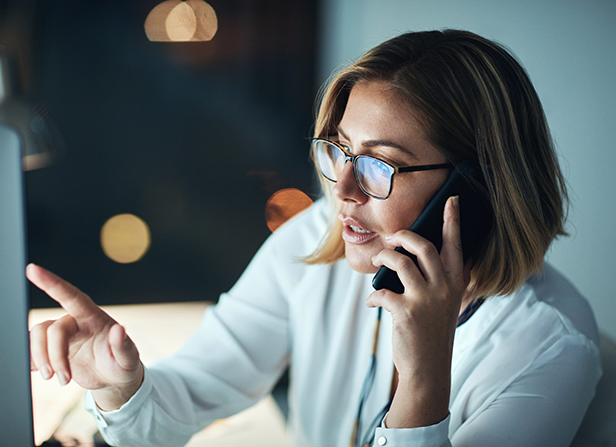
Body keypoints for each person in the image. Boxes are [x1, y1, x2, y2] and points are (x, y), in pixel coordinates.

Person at [28, 29, 601, 447]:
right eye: (339, 152)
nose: (343, 189)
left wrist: (425, 370)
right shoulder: (318, 242)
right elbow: (190, 397)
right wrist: (119, 387)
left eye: (380, 165)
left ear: (475, 188)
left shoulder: (551, 345)